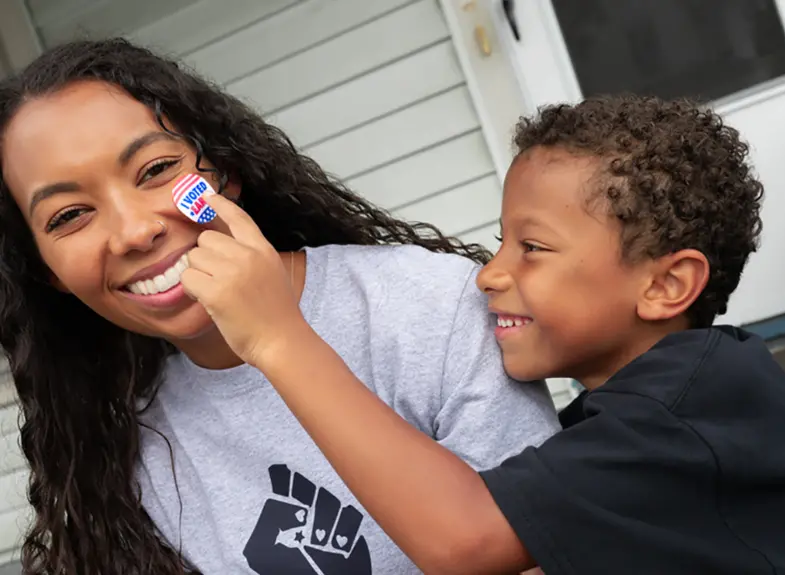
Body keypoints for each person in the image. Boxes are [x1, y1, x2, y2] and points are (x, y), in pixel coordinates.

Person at [180, 94, 785, 574]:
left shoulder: (687, 407)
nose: (488, 274)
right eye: (500, 243)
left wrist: (279, 337)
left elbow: (463, 536)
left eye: (533, 248)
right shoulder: (653, 405)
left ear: (664, 285)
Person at [0, 39, 562, 575]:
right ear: (50, 273)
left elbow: (549, 548)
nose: (134, 232)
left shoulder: (427, 306)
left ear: (226, 171)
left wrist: (277, 341)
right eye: (69, 216)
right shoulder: (133, 447)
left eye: (155, 170)